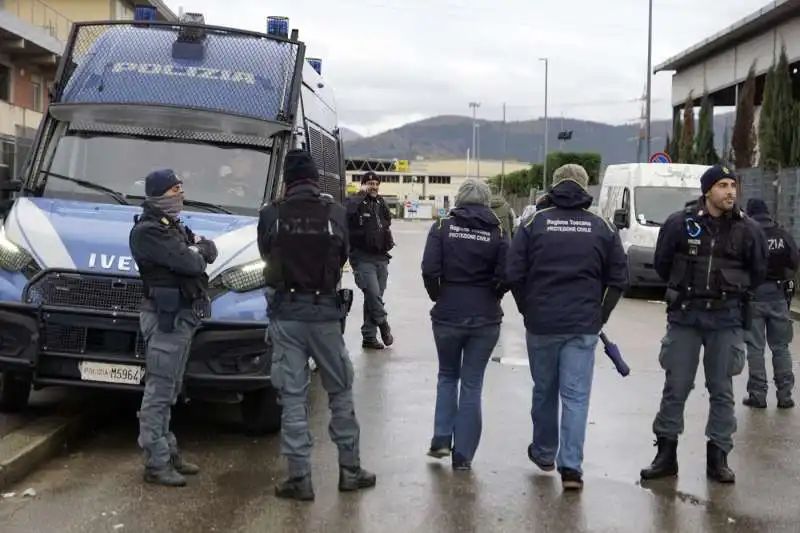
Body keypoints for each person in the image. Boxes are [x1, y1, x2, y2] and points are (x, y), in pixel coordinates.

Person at [257, 149, 375, 501]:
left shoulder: (271, 214)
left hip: (287, 316)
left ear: (287, 180)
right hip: (325, 314)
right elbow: (342, 255)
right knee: (339, 391)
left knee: (292, 396)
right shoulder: (334, 213)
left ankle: (300, 478)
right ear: (314, 178)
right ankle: (350, 469)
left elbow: (266, 253)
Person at [639, 165, 768, 484]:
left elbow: (758, 271)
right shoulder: (680, 224)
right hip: (686, 316)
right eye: (723, 185)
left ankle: (718, 457)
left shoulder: (747, 229)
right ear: (708, 190)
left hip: (726, 318)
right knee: (676, 386)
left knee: (722, 389)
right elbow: (662, 263)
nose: (730, 192)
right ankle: (665, 455)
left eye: (733, 186)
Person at [506, 164, 628, 490]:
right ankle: (571, 467)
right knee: (575, 396)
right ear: (585, 186)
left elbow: (514, 273)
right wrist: (600, 315)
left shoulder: (533, 223)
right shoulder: (601, 226)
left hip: (542, 323)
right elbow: (618, 278)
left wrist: (527, 309)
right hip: (583, 325)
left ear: (554, 185)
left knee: (544, 390)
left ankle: (545, 452)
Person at [129, 169, 218, 487]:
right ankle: (156, 461)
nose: (179, 195)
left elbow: (209, 248)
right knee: (159, 391)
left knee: (171, 388)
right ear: (156, 194)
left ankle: (167, 451)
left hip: (181, 315)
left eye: (181, 189)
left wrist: (198, 248)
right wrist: (196, 250)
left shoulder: (172, 226)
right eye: (174, 190)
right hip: (165, 317)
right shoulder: (149, 231)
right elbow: (192, 262)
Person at [421, 178, 509, 470]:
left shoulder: (443, 226)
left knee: (447, 376)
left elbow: (429, 269)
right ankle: (463, 457)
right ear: (486, 201)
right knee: (472, 385)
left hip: (447, 314)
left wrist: (439, 295)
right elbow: (506, 273)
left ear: (458, 199)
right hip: (485, 317)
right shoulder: (497, 231)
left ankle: (441, 438)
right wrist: (492, 296)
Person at [741, 198, 798, 409]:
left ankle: (758, 395)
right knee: (781, 347)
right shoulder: (782, 234)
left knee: (755, 348)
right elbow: (794, 260)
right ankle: (785, 395)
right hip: (778, 295)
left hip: (753, 296)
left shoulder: (747, 234)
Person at [344, 170, 395, 350]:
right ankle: (383, 324)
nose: (373, 187)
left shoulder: (381, 203)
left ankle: (368, 337)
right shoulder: (354, 201)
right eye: (369, 183)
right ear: (363, 184)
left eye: (375, 184)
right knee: (373, 294)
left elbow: (387, 222)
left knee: (374, 298)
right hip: (362, 257)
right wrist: (361, 195)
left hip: (381, 258)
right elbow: (346, 213)